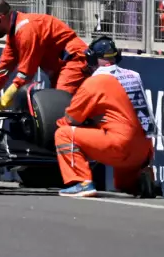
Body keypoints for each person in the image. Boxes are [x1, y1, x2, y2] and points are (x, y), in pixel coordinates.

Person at [53, 62, 154, 198]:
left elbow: (71, 119)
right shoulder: (132, 77)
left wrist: (54, 126)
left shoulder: (94, 82)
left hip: (119, 143)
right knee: (124, 185)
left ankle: (82, 183)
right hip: (144, 149)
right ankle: (138, 181)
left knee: (64, 134)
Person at [0, 0, 90, 108]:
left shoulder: (26, 31)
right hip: (61, 67)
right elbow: (5, 65)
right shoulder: (13, 33)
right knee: (55, 104)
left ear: (0, 18)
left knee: (58, 104)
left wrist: (7, 96)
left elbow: (26, 72)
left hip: (74, 60)